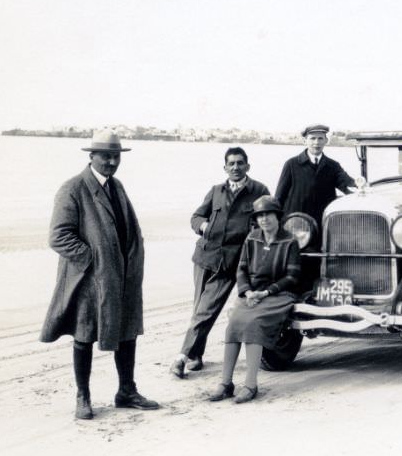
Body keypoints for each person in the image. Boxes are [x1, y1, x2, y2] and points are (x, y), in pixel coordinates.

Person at [40, 129, 159, 420]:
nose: (111, 162)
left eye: (115, 156)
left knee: (127, 331)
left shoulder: (117, 186)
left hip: (122, 276)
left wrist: (128, 261)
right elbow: (58, 237)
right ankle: (83, 396)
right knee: (84, 335)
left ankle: (126, 391)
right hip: (88, 280)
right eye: (106, 156)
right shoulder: (73, 188)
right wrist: (93, 259)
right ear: (91, 156)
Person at [169, 147, 270, 378]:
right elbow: (196, 217)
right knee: (199, 309)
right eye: (231, 163)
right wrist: (204, 227)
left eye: (240, 163)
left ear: (248, 166)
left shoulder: (259, 191)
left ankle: (181, 357)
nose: (236, 167)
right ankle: (196, 355)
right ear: (225, 167)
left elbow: (268, 222)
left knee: (206, 310)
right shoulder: (216, 191)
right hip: (204, 257)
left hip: (231, 262)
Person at [207, 195, 302, 404]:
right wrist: (247, 291)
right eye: (260, 216)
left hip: (279, 295)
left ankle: (251, 384)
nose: (264, 219)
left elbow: (292, 277)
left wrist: (266, 292)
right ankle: (225, 383)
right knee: (234, 323)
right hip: (253, 294)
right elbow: (241, 269)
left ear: (277, 216)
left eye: (268, 214)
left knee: (254, 324)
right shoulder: (252, 238)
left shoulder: (290, 241)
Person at [275, 124, 356, 229]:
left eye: (320, 138)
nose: (316, 142)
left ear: (326, 141)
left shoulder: (333, 166)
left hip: (322, 223)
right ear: (305, 141)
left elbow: (348, 186)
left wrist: (360, 185)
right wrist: (277, 222)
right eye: (312, 138)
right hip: (296, 224)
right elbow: (279, 196)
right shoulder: (291, 164)